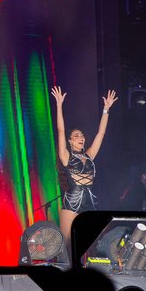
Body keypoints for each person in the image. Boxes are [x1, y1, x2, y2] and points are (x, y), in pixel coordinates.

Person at [50, 85, 118, 258]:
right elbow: (60, 130)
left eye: (82, 136)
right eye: (76, 136)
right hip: (72, 204)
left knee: (89, 246)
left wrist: (106, 109)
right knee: (66, 248)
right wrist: (59, 105)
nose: (81, 138)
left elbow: (101, 133)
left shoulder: (89, 155)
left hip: (90, 203)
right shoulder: (66, 156)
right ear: (70, 141)